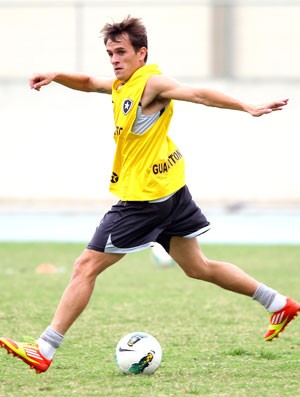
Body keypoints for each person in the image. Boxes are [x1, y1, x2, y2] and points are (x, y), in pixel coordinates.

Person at [0, 16, 299, 374]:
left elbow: (199, 94)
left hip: (144, 201)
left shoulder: (151, 83)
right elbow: (89, 81)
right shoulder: (121, 84)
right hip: (170, 191)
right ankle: (278, 303)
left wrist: (246, 106)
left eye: (121, 51)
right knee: (198, 267)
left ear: (141, 53)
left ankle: (45, 349)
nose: (114, 58)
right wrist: (55, 75)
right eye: (110, 52)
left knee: (84, 267)